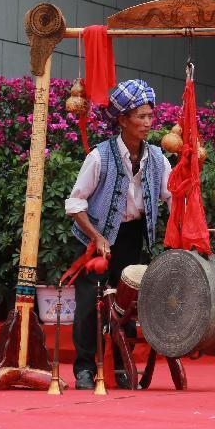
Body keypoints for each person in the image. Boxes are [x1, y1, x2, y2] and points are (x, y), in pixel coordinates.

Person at [65, 79, 171, 390]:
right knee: (90, 303)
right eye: (141, 116)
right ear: (122, 119)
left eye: (151, 116)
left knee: (127, 304)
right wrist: (97, 238)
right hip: (94, 238)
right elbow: (74, 203)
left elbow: (174, 194)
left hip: (132, 235)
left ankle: (122, 367)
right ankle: (85, 368)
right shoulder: (100, 156)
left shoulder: (156, 158)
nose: (148, 123)